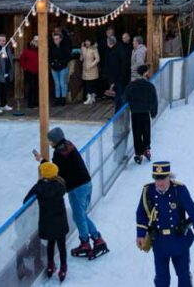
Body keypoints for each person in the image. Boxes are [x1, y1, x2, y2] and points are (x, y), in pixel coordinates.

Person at [35, 127, 109, 260]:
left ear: (55, 141)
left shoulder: (59, 153)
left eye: (50, 141)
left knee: (79, 216)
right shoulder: (69, 144)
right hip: (86, 183)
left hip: (77, 187)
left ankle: (86, 242)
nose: (49, 143)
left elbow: (54, 171)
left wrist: (41, 161)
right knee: (80, 214)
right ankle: (97, 239)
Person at [137, 161, 194, 287]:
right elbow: (141, 214)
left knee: (183, 276)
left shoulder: (179, 190)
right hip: (159, 243)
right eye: (156, 179)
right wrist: (141, 235)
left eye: (163, 178)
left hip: (179, 241)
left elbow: (193, 213)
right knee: (162, 280)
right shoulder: (148, 191)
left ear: (169, 176)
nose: (159, 183)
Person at [24, 161, 69, 281]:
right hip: (60, 220)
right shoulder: (61, 184)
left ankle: (50, 265)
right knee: (62, 245)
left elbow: (26, 201)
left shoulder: (39, 188)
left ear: (44, 175)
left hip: (47, 222)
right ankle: (63, 267)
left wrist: (39, 183)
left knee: (51, 244)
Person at [124, 65, 159, 164]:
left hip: (135, 113)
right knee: (146, 131)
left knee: (137, 133)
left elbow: (125, 98)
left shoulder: (131, 85)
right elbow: (154, 100)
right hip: (145, 112)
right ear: (145, 73)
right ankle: (147, 148)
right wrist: (153, 112)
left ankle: (139, 153)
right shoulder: (149, 86)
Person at [49, 30, 73, 106]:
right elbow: (49, 56)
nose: (55, 40)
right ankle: (57, 99)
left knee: (62, 83)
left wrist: (61, 63)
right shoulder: (52, 46)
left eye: (57, 39)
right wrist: (52, 63)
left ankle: (63, 99)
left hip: (62, 67)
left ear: (60, 39)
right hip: (54, 67)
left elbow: (68, 57)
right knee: (57, 84)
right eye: (54, 39)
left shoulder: (65, 46)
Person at [20, 36, 41, 108]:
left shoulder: (40, 49)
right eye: (35, 40)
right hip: (30, 72)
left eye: (38, 41)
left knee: (37, 87)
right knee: (31, 87)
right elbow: (22, 59)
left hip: (38, 71)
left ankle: (35, 102)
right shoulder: (27, 50)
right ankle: (30, 103)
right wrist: (25, 67)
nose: (36, 42)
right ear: (32, 41)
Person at [81, 38, 102, 103]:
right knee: (87, 83)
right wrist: (81, 51)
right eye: (86, 41)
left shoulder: (94, 49)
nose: (87, 42)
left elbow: (98, 59)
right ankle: (90, 97)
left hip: (92, 69)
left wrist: (91, 65)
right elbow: (81, 58)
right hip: (85, 69)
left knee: (91, 83)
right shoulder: (83, 48)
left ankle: (91, 97)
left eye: (88, 41)